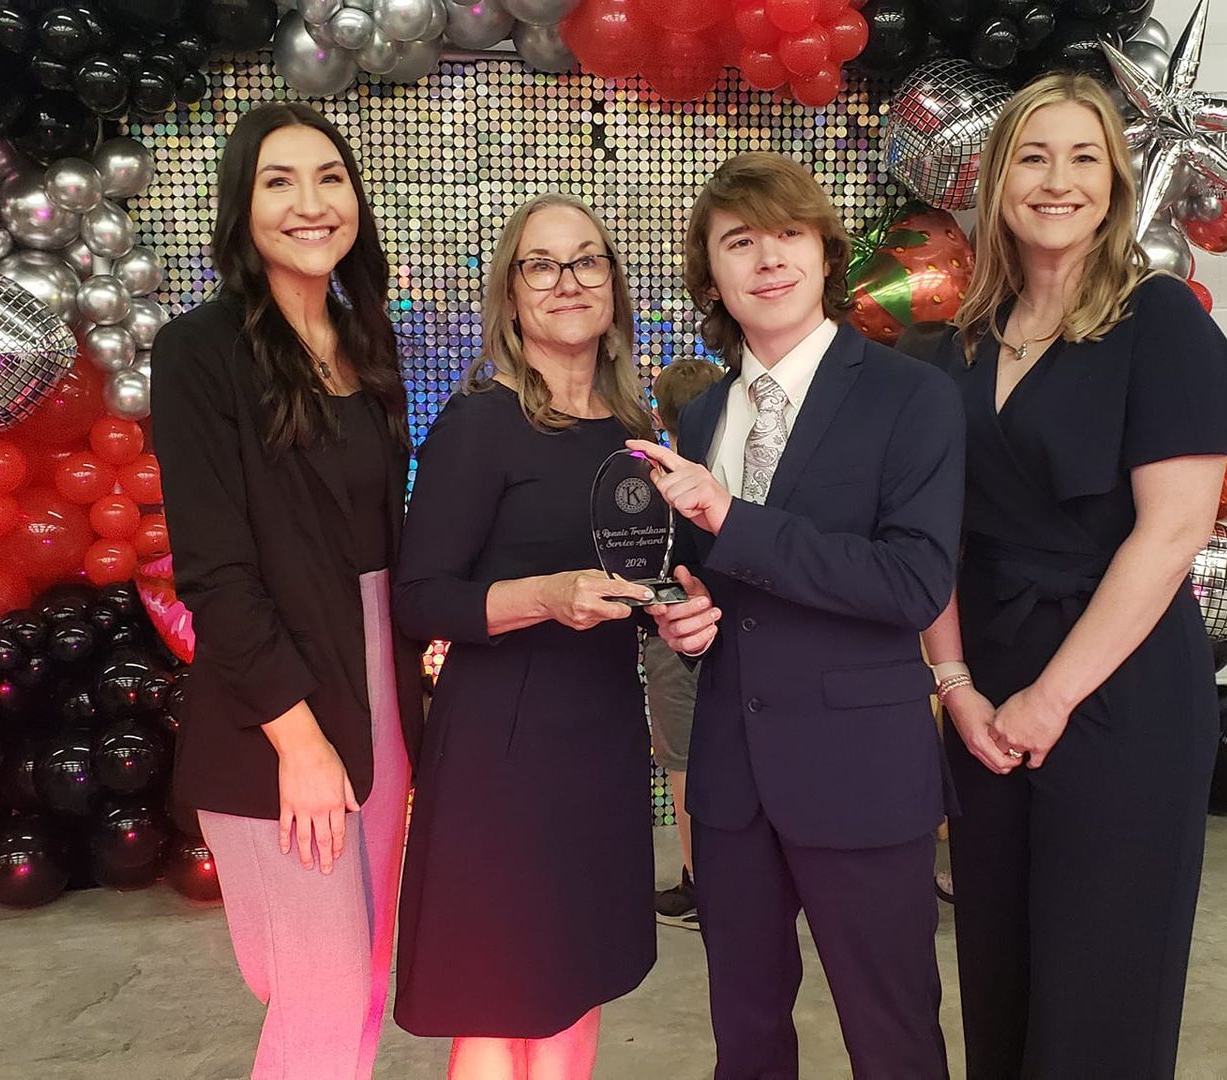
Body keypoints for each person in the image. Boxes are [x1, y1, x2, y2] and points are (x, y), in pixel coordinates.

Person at [914, 72, 1227, 1079]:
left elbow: (1172, 534)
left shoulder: (1158, 321)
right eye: (1033, 156)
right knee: (999, 964)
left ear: (1116, 185)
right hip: (986, 691)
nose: (1057, 181)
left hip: (1116, 692)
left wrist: (1048, 700)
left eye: (1083, 158)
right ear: (995, 182)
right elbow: (936, 533)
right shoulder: (964, 341)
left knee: (1102, 978)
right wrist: (957, 688)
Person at [632, 152, 965, 1079]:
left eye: (788, 234)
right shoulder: (700, 421)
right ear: (712, 277)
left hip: (859, 774)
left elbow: (911, 583)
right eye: (740, 241)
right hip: (733, 782)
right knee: (744, 1031)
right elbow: (717, 580)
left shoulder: (913, 397)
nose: (767, 258)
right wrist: (683, 616)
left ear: (825, 254)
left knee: (891, 1030)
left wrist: (732, 521)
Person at [154, 102, 423, 1080]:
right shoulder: (201, 351)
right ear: (243, 206)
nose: (310, 203)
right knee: (323, 993)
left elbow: (386, 540)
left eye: (329, 177)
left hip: (384, 694)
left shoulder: (369, 346)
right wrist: (299, 740)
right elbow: (216, 571)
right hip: (278, 709)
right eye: (279, 181)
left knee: (363, 980)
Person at [392, 193, 658, 1079]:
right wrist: (542, 596)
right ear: (511, 296)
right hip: (501, 753)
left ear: (614, 286)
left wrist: (685, 610)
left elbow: (649, 575)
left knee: (573, 987)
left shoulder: (634, 434)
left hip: (602, 735)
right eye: (541, 265)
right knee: (503, 1000)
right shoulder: (479, 424)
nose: (568, 281)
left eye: (588, 260)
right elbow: (422, 598)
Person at [647, 357, 722, 931]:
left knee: (683, 760)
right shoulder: (732, 479)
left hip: (672, 629)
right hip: (731, 628)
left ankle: (699, 882)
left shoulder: (652, 486)